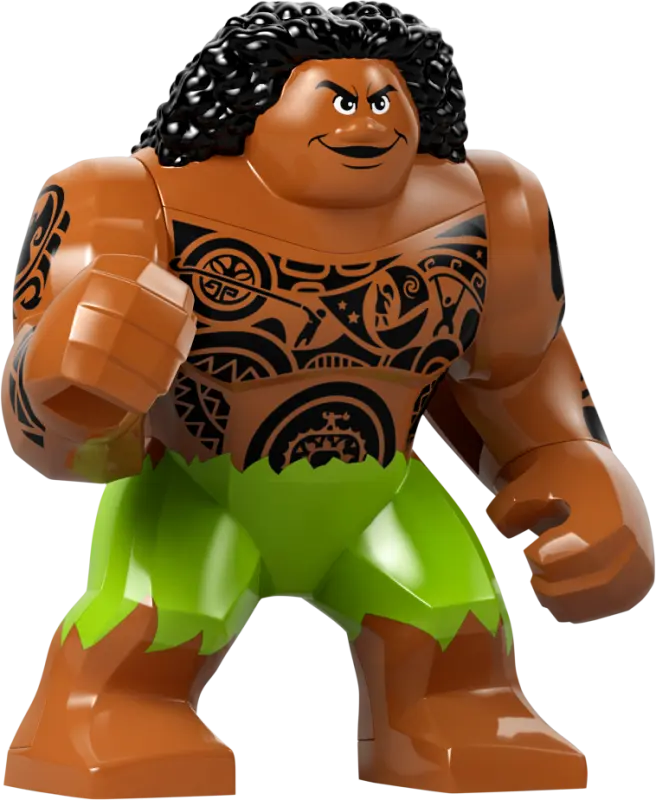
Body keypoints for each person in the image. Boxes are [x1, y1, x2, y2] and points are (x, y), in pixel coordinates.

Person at [3, 2, 653, 795]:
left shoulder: (488, 210)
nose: (365, 120)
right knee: (154, 623)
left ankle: (451, 713)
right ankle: (99, 711)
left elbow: (517, 374)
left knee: (456, 619)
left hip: (381, 492)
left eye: (381, 98)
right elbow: (48, 432)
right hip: (202, 489)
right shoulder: (129, 201)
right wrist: (71, 374)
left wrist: (577, 463)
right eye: (340, 99)